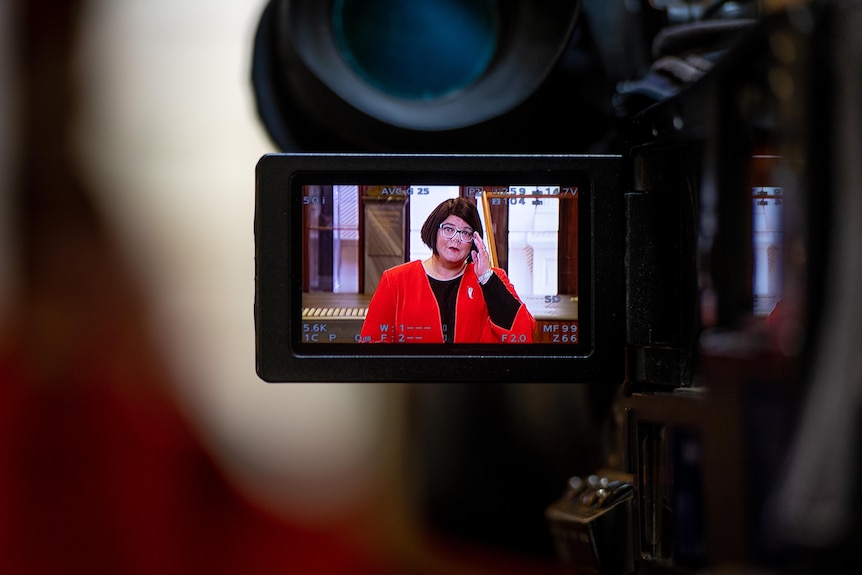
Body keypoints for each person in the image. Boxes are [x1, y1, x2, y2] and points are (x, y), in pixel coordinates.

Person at [360, 197, 535, 343]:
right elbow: (372, 344)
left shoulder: (492, 278)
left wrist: (486, 279)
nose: (456, 239)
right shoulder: (395, 279)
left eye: (465, 233)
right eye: (449, 229)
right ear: (433, 231)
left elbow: (524, 331)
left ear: (474, 240)